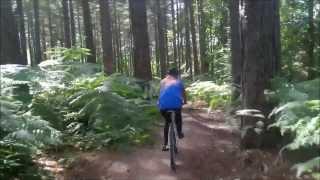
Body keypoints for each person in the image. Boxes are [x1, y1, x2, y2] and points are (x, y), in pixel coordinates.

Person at [158, 68, 187, 151]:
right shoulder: (178, 82)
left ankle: (165, 144)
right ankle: (179, 132)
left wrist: (159, 102)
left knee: (167, 122)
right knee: (178, 118)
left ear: (168, 74)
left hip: (163, 106)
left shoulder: (162, 81)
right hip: (176, 106)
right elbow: (183, 93)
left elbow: (161, 93)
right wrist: (185, 101)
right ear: (176, 75)